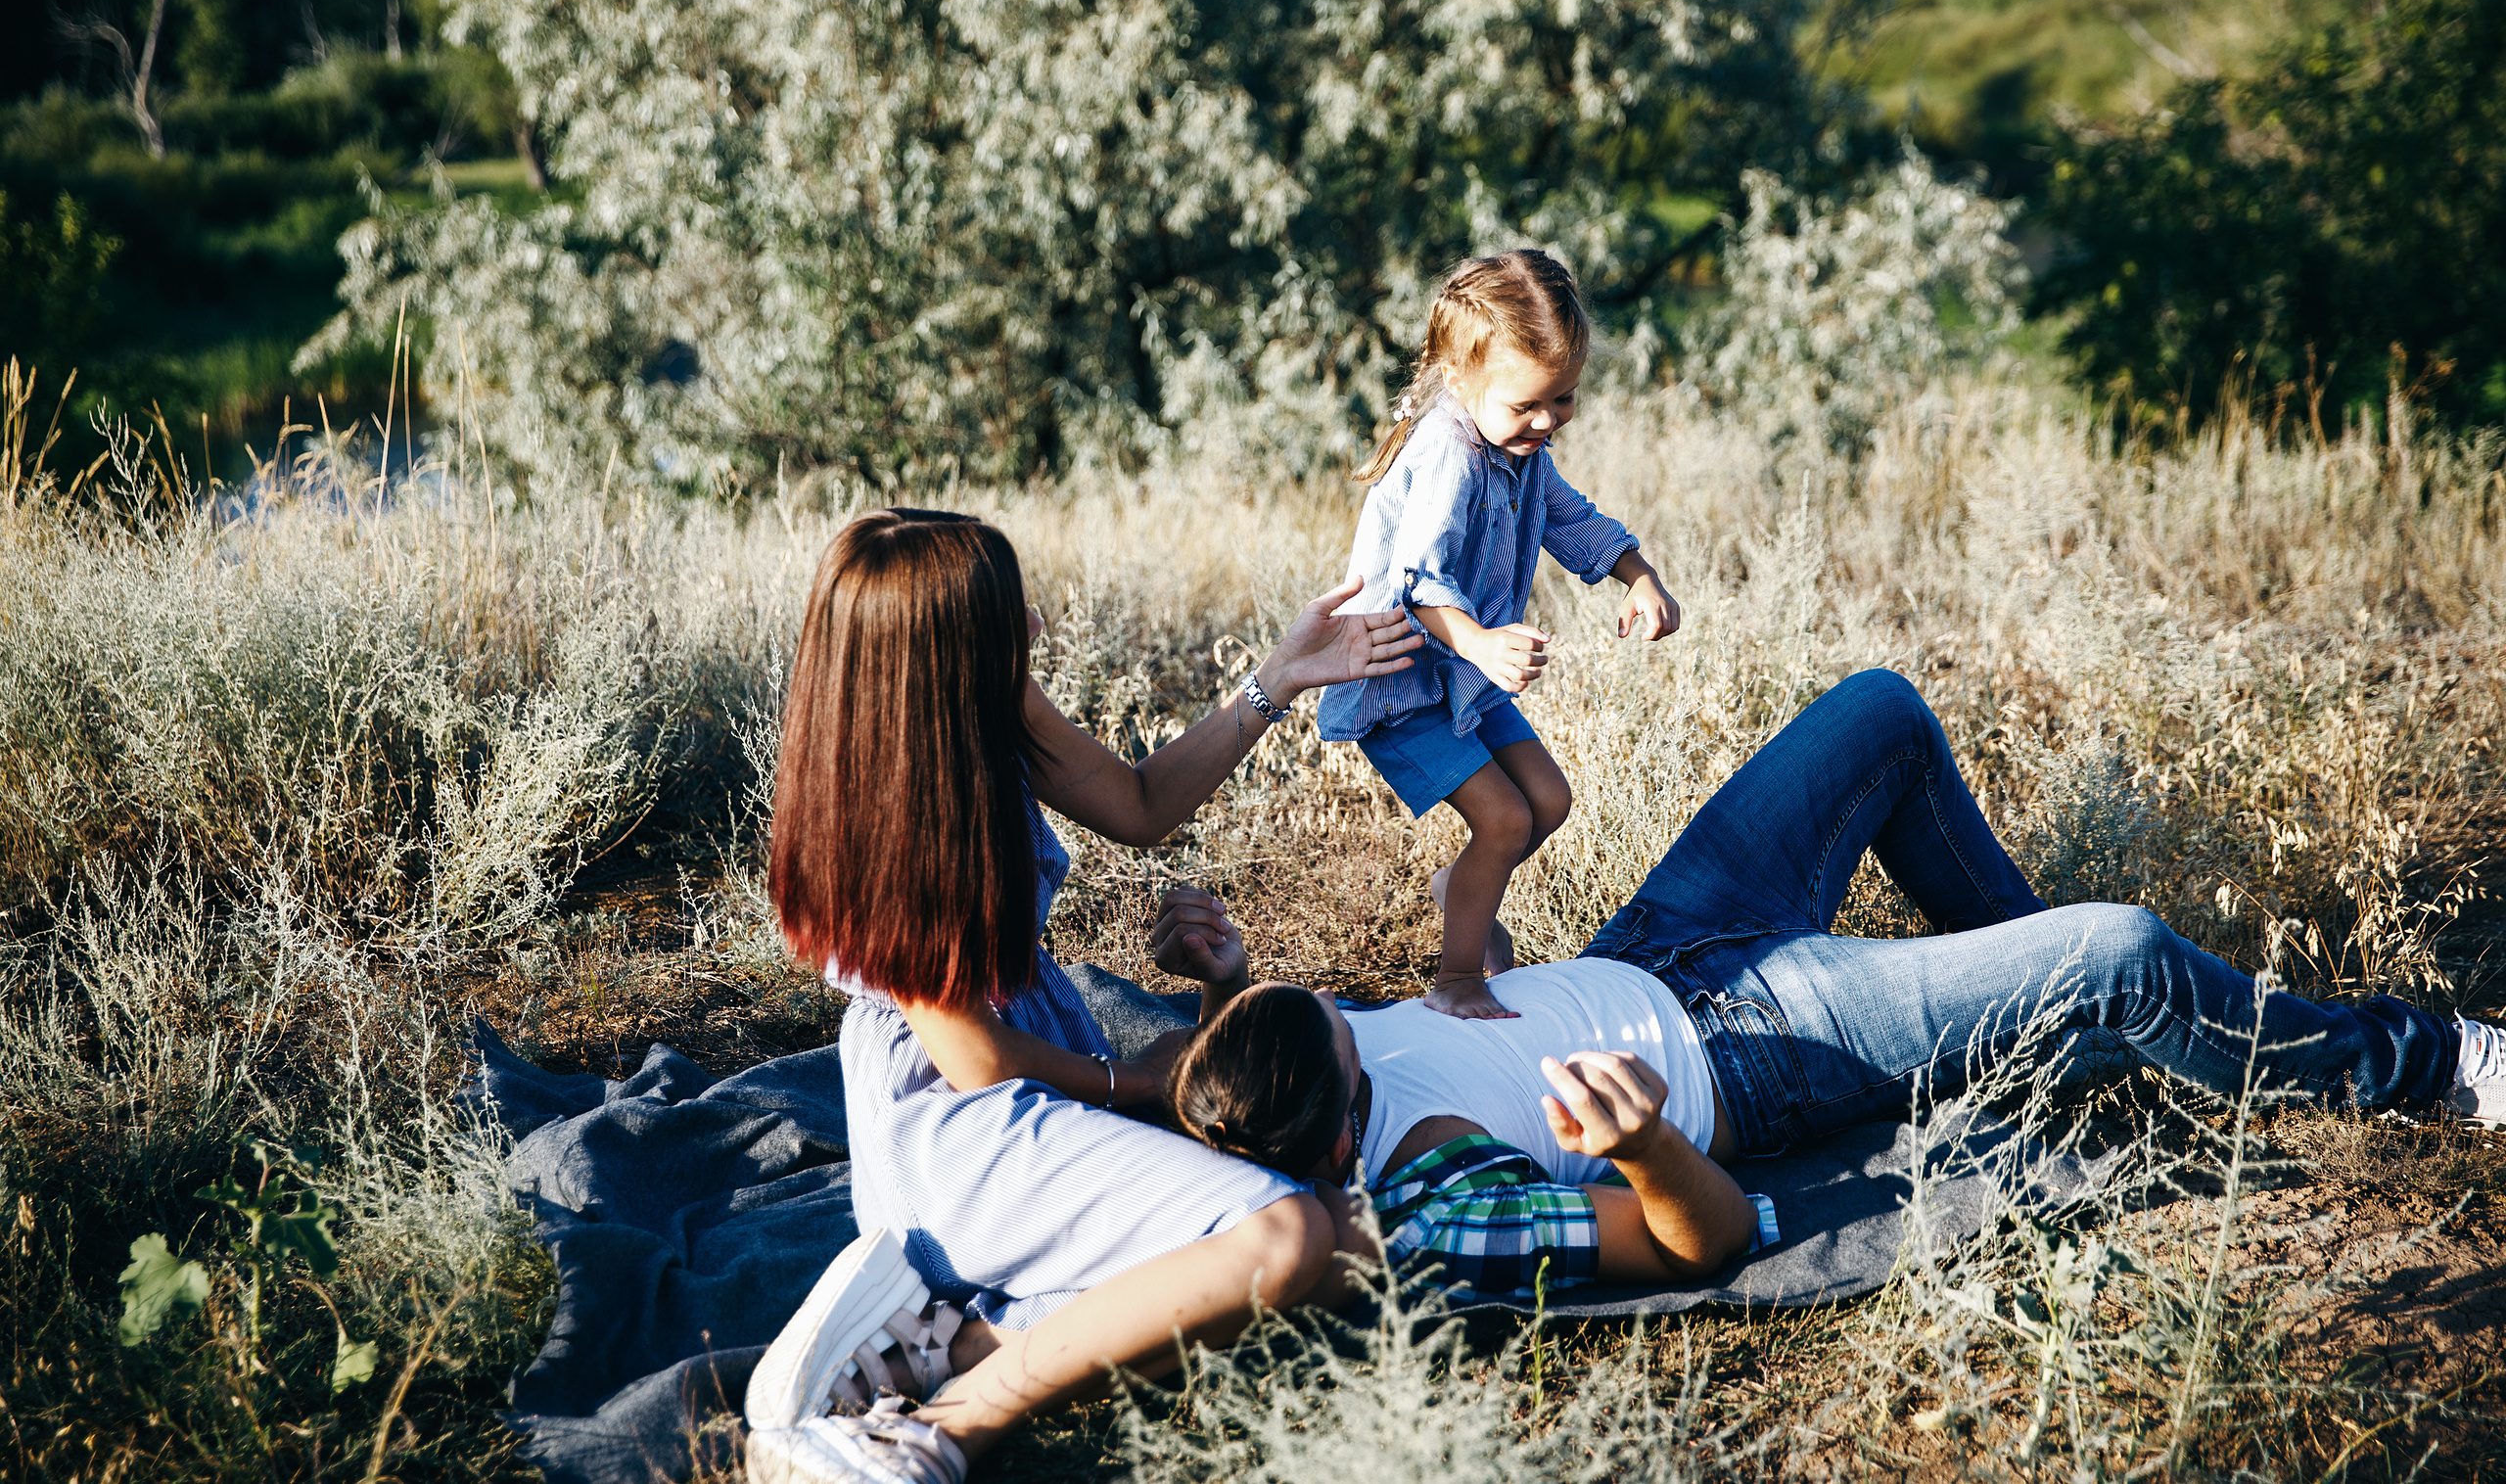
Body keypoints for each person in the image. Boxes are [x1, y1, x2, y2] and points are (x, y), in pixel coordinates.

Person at [1168, 669, 2506, 1301]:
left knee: (1878, 714)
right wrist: (1636, 1140)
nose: (1357, 1028)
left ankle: (2056, 1020)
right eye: (1349, 1052)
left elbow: (1377, 1032)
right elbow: (1713, 1237)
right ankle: (2434, 1060)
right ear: (1340, 1139)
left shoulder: (1278, 1057)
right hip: (1757, 1043)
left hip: (1660, 940)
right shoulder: (1437, 1205)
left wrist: (1236, 975)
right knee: (2126, 951)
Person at [744, 508, 1424, 1484]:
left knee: (1339, 1241)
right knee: (1284, 1232)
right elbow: (970, 1056)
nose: (1031, 619)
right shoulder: (880, 813)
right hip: (955, 1119)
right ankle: (938, 1429)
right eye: (1003, 609)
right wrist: (1132, 1079)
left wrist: (1276, 679)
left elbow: (1140, 803)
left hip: (1027, 1048)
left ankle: (947, 1341)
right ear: (943, 648)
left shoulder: (988, 702)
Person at [1322, 250, 1684, 1021]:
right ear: (1461, 378)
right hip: (1399, 679)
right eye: (1528, 405)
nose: (1547, 421)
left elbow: (1572, 519)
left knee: (1547, 799)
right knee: (1506, 816)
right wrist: (1483, 643)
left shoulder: (1521, 450)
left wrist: (1639, 575)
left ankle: (1461, 885)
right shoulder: (1449, 454)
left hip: (1460, 676)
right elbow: (1418, 585)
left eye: (1564, 400)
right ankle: (1456, 979)